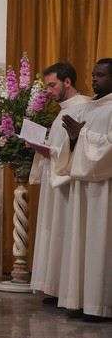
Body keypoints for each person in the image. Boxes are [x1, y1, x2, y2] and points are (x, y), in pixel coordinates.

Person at [28, 63, 90, 305]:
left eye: (52, 85)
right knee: (53, 232)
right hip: (54, 182)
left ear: (67, 82)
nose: (49, 91)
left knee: (65, 234)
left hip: (67, 185)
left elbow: (78, 146)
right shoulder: (62, 110)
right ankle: (54, 287)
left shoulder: (83, 107)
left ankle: (66, 290)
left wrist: (50, 151)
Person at [56, 58, 112, 322]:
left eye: (100, 75)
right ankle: (81, 301)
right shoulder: (90, 108)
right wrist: (75, 139)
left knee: (101, 244)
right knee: (83, 243)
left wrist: (84, 136)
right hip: (85, 187)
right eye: (93, 74)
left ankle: (100, 305)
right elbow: (78, 146)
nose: (94, 79)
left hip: (105, 190)